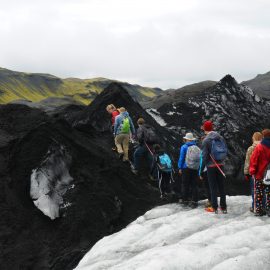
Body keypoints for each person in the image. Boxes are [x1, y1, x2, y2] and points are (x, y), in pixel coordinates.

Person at [199, 120, 227, 214]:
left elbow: (204, 156)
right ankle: (223, 207)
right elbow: (225, 150)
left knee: (213, 187)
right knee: (222, 187)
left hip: (211, 166)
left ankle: (214, 207)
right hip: (221, 165)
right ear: (212, 128)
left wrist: (202, 168)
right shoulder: (220, 137)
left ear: (205, 129)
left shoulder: (206, 140)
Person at [249, 129, 270, 216]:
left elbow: (254, 160)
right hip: (269, 175)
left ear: (263, 136)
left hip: (259, 175)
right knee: (269, 194)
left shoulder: (259, 147)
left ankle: (259, 210)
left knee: (259, 193)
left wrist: (252, 171)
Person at [178, 132, 200, 208]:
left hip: (186, 168)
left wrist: (180, 167)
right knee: (194, 184)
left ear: (186, 139)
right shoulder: (196, 147)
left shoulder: (184, 147)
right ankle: (194, 201)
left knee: (185, 184)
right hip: (195, 168)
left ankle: (185, 199)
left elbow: (181, 158)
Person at [244, 132, 263, 212]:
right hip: (263, 173)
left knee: (254, 190)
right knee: (263, 190)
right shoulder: (265, 147)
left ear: (253, 139)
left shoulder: (251, 149)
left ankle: (254, 206)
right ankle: (264, 206)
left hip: (254, 173)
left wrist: (246, 173)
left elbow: (248, 162)